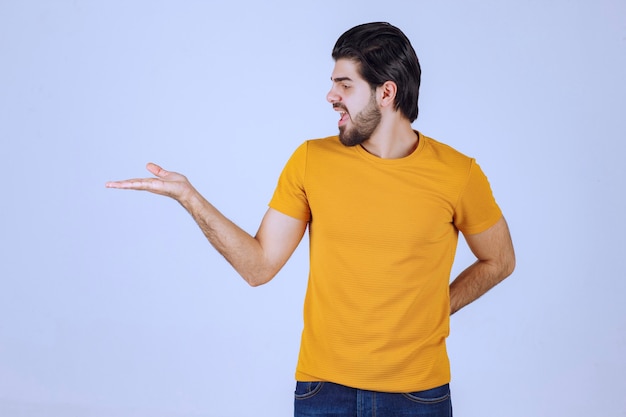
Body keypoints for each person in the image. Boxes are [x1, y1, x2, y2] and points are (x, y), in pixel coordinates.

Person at [106, 22, 515, 417]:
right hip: (323, 392)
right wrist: (189, 197)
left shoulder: (458, 174)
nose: (330, 95)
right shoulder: (310, 160)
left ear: (386, 92)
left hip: (418, 395)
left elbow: (500, 260)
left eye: (345, 84)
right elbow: (258, 266)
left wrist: (438, 307)